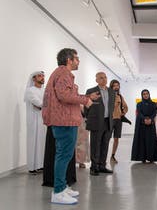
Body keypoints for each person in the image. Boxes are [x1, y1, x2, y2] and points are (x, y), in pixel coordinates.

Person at [42, 48, 99, 205]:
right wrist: (85, 100)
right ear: (69, 60)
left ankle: (62, 186)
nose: (78, 61)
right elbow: (64, 95)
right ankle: (58, 192)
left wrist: (85, 97)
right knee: (63, 155)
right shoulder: (63, 73)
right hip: (64, 121)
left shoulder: (60, 73)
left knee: (64, 155)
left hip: (64, 120)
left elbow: (65, 94)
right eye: (76, 58)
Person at [85, 72, 115, 175]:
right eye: (101, 78)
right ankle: (94, 167)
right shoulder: (91, 91)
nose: (104, 79)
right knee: (95, 145)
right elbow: (86, 106)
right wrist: (88, 118)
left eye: (105, 77)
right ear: (96, 80)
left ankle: (102, 166)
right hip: (96, 122)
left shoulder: (111, 91)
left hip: (108, 122)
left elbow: (111, 107)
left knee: (105, 144)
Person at [24, 71, 46, 174]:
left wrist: (43, 105)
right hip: (33, 120)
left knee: (42, 142)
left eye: (43, 76)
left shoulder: (44, 90)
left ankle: (40, 165)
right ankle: (32, 167)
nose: (42, 78)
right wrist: (43, 105)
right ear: (33, 79)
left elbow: (43, 104)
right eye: (39, 76)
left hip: (43, 119)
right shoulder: (30, 90)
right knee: (33, 142)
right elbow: (39, 103)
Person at [131, 89, 157, 163]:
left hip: (150, 125)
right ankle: (142, 157)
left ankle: (151, 158)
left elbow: (154, 113)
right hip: (141, 125)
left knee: (151, 141)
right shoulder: (139, 104)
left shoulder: (153, 104)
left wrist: (150, 119)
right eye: (144, 94)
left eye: (147, 94)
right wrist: (145, 119)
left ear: (149, 95)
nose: (145, 95)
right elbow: (139, 113)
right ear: (142, 95)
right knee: (142, 142)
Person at [109, 79, 130, 163]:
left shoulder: (120, 96)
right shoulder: (108, 96)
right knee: (107, 138)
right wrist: (115, 104)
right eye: (114, 86)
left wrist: (123, 113)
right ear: (111, 87)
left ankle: (113, 156)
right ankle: (102, 157)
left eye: (117, 85)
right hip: (110, 120)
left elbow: (126, 107)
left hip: (118, 120)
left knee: (116, 139)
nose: (116, 87)